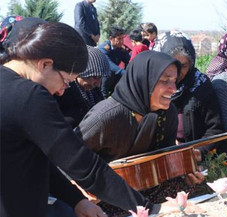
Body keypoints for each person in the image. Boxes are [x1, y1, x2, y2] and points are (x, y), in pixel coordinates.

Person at [0, 20, 183, 217]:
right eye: (66, 81)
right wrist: (147, 208)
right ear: (44, 64)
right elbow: (84, 165)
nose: (62, 92)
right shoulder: (30, 96)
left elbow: (37, 159)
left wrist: (76, 200)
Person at [75, 50, 205, 203]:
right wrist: (83, 190)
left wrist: (185, 171)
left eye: (174, 81)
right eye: (165, 81)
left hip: (148, 188)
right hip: (107, 196)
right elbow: (67, 158)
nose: (173, 89)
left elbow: (164, 158)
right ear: (143, 80)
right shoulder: (106, 117)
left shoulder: (168, 112)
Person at [153, 31, 227, 164]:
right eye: (173, 64)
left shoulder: (200, 85)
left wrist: (198, 152)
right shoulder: (151, 87)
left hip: (193, 160)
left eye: (184, 66)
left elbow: (215, 128)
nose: (178, 71)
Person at [56, 45, 110, 128]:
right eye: (95, 77)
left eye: (100, 78)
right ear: (80, 73)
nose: (98, 84)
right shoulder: (63, 92)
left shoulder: (94, 91)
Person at [98, 26, 130, 97]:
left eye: (122, 38)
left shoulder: (121, 49)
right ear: (111, 38)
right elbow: (109, 65)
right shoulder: (103, 49)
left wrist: (130, 72)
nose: (122, 41)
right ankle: (103, 96)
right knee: (109, 72)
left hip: (113, 77)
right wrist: (124, 73)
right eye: (119, 39)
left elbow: (129, 61)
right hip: (101, 77)